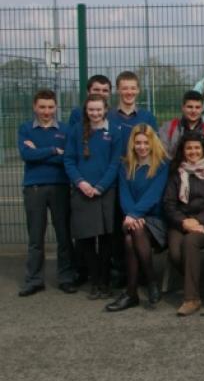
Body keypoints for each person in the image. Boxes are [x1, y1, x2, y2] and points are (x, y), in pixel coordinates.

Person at [64, 94, 123, 299]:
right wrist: (81, 183)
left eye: (98, 110)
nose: (95, 113)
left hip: (106, 191)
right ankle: (95, 281)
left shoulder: (114, 131)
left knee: (106, 239)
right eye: (91, 110)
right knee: (87, 239)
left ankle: (105, 283)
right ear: (86, 111)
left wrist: (100, 186)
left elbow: (115, 162)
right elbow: (69, 160)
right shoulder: (76, 131)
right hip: (82, 192)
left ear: (106, 109)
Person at [105, 125, 169, 312]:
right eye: (138, 142)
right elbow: (124, 195)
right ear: (132, 144)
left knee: (129, 238)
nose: (142, 147)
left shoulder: (162, 165)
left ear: (152, 143)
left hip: (156, 220)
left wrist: (134, 215)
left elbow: (154, 195)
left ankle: (132, 292)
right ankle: (150, 283)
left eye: (145, 142)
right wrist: (132, 216)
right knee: (133, 232)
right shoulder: (125, 165)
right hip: (133, 220)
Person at [18, 89, 75, 296]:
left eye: (50, 107)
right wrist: (53, 150)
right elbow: (26, 155)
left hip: (60, 187)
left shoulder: (66, 130)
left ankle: (66, 277)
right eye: (42, 107)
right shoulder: (25, 128)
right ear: (35, 107)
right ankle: (34, 280)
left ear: (56, 108)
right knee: (35, 237)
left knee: (64, 235)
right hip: (34, 188)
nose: (46, 111)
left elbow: (67, 157)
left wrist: (39, 152)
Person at [162, 133, 204, 316]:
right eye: (189, 148)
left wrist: (198, 221)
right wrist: (184, 221)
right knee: (175, 253)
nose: (193, 151)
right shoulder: (177, 171)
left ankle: (192, 298)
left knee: (190, 242)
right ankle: (196, 278)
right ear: (183, 150)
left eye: (197, 147)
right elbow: (169, 204)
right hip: (181, 221)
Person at [158, 90, 204, 158]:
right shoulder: (168, 127)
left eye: (197, 107)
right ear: (183, 108)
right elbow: (163, 154)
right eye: (190, 107)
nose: (193, 111)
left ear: (202, 109)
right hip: (173, 167)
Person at [109, 71, 157, 146]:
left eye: (133, 88)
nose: (129, 92)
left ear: (138, 90)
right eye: (125, 88)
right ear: (118, 90)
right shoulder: (108, 117)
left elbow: (155, 145)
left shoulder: (148, 117)